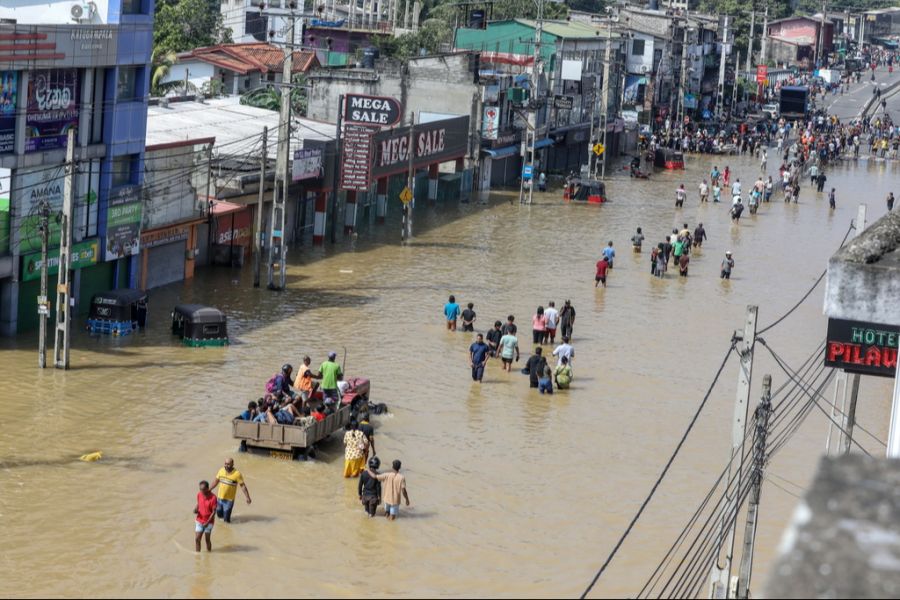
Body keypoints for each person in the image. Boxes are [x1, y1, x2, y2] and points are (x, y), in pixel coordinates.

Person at [210, 457, 251, 523]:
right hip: (220, 498)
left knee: (226, 520)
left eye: (228, 464)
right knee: (219, 516)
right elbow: (216, 481)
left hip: (229, 500)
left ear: (232, 464)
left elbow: (242, 486)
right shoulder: (221, 470)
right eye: (225, 464)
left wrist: (247, 497)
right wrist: (209, 490)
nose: (226, 465)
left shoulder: (237, 474)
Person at [194, 480, 217, 552]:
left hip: (209, 522)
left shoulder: (213, 498)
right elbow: (198, 504)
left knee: (207, 539)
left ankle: (209, 554)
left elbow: (214, 512)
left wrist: (207, 522)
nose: (201, 491)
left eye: (203, 489)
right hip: (199, 520)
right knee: (197, 539)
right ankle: (197, 556)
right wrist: (196, 509)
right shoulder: (199, 494)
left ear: (207, 488)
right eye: (200, 489)